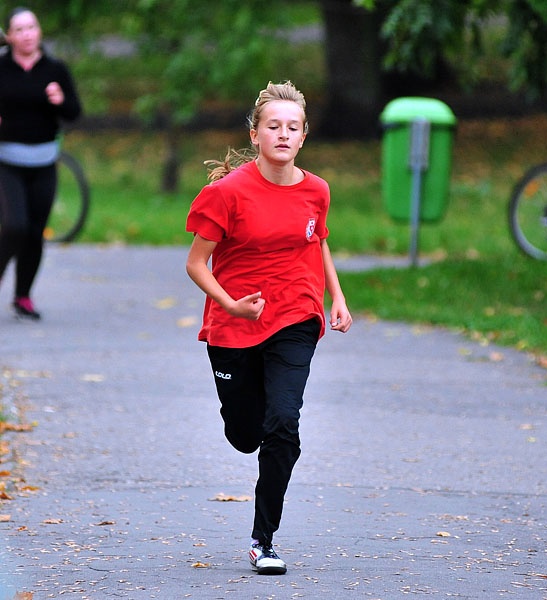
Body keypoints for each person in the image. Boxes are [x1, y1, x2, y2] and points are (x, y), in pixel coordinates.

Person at [185, 80, 352, 575]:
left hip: (296, 317)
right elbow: (197, 264)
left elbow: (316, 240)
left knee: (283, 424)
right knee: (245, 435)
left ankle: (264, 539)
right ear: (255, 134)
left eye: (293, 127)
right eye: (273, 126)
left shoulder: (317, 190)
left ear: (304, 136)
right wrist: (230, 306)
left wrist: (336, 297)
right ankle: (247, 423)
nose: (283, 134)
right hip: (234, 325)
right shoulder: (226, 194)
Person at [0, 7, 82, 320]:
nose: (27, 34)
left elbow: (74, 113)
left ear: (39, 31)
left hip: (44, 162)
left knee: (35, 232)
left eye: (31, 27)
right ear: (9, 36)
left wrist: (61, 100)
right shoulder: (2, 68)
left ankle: (23, 296)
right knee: (14, 226)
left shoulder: (55, 69)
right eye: (19, 29)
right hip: (6, 161)